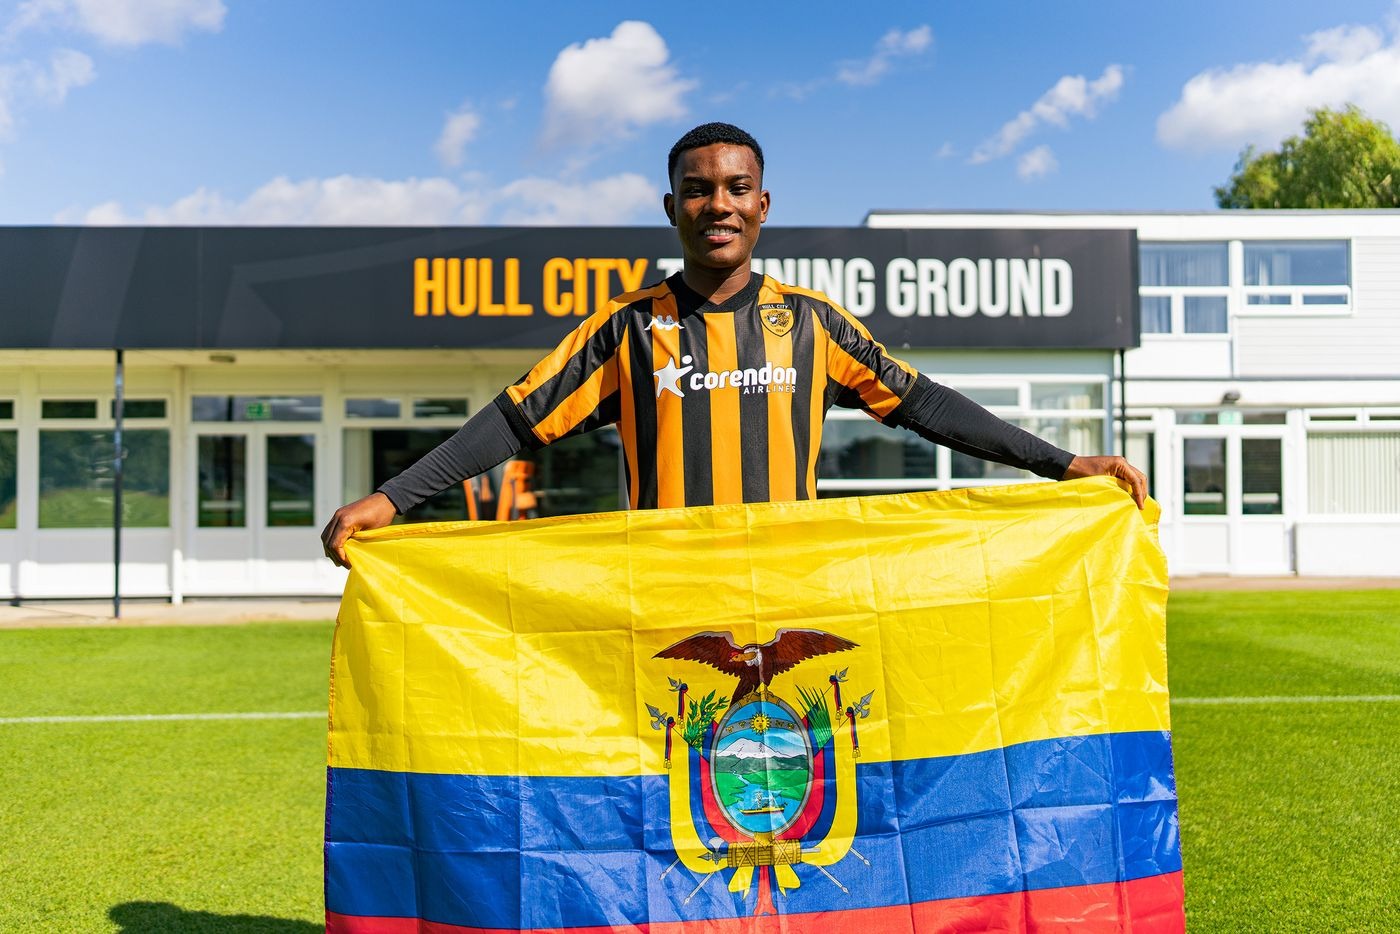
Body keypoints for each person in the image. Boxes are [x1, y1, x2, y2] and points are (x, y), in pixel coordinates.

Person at [322, 122, 1145, 567]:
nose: (718, 204)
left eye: (736, 188)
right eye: (698, 190)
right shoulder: (626, 328)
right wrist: (393, 497)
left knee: (799, 787)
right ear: (671, 208)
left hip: (794, 589)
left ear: (762, 205)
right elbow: (512, 420)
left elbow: (925, 404)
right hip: (664, 594)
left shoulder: (815, 324)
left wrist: (1063, 464)